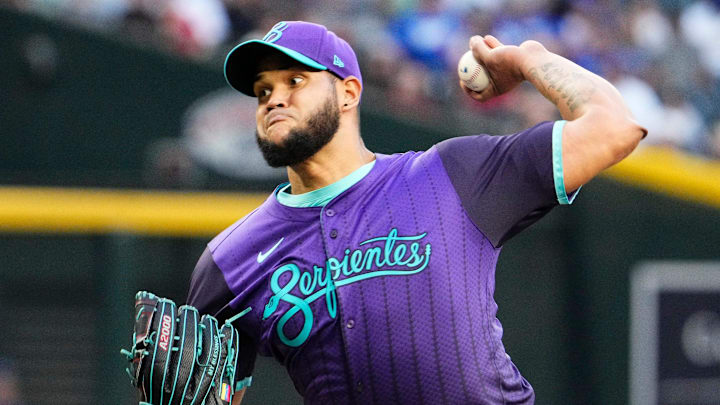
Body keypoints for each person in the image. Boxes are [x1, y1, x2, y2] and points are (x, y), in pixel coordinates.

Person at [186, 20, 646, 405]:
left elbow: (614, 127)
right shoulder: (231, 260)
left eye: (295, 80)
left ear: (348, 92)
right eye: (262, 90)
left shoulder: (454, 174)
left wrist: (528, 60)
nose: (274, 99)